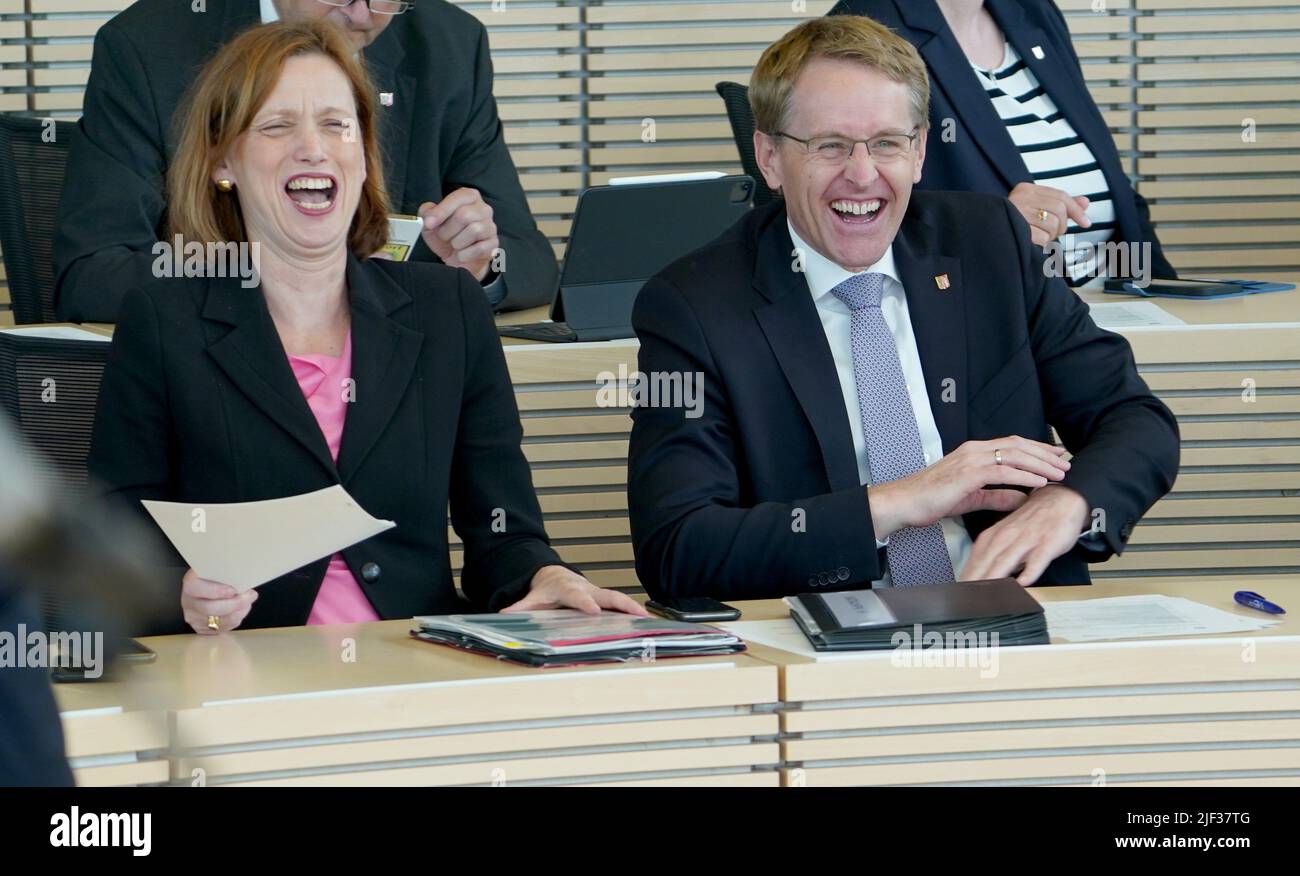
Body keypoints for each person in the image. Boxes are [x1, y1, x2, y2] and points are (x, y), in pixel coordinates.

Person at [88, 20, 643, 635]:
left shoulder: (447, 308)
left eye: (336, 124)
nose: (314, 148)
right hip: (243, 669)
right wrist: (180, 591)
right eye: (278, 126)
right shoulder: (165, 319)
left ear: (362, 151)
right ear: (224, 161)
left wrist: (544, 576)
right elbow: (117, 533)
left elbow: (503, 533)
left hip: (415, 663)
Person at [626, 16, 1179, 602]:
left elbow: (1136, 420)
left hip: (1016, 620)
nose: (862, 175)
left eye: (887, 143)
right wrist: (901, 501)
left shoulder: (989, 244)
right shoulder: (692, 305)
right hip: (828, 649)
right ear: (769, 158)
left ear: (919, 152)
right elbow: (677, 546)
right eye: (829, 145)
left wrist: (1069, 505)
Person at [54, 0, 557, 323]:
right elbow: (93, 274)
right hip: (215, 377)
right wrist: (290, 278)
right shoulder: (147, 46)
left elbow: (528, 259)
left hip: (402, 378)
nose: (363, 16)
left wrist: (480, 266)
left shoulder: (450, 44)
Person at [831, 0, 1175, 287]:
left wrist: (1173, 298)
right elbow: (841, 220)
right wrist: (992, 226)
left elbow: (1119, 194)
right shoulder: (860, 35)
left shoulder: (1032, 11)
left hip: (1114, 330)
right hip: (991, 340)